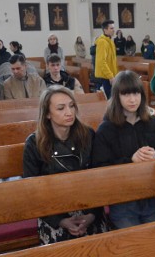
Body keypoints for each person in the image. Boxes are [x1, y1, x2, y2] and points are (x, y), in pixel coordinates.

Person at [23, 86, 109, 245]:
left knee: (99, 247)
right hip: (53, 211)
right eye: (61, 108)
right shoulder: (34, 144)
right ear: (47, 114)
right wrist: (60, 220)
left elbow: (99, 179)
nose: (69, 112)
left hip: (90, 207)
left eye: (71, 106)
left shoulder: (88, 134)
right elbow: (32, 192)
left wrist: (91, 215)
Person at [92, 71, 155, 229]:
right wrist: (130, 161)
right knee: (134, 247)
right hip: (123, 203)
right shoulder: (106, 129)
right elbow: (100, 168)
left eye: (136, 93)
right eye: (126, 94)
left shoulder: (154, 123)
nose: (132, 99)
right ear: (117, 97)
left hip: (152, 198)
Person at [94, 20, 118, 99]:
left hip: (109, 76)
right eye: (111, 28)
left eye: (113, 28)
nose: (113, 30)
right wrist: (110, 76)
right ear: (105, 30)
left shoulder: (110, 41)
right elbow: (101, 62)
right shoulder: (102, 42)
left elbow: (112, 60)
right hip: (104, 77)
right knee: (107, 101)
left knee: (112, 100)